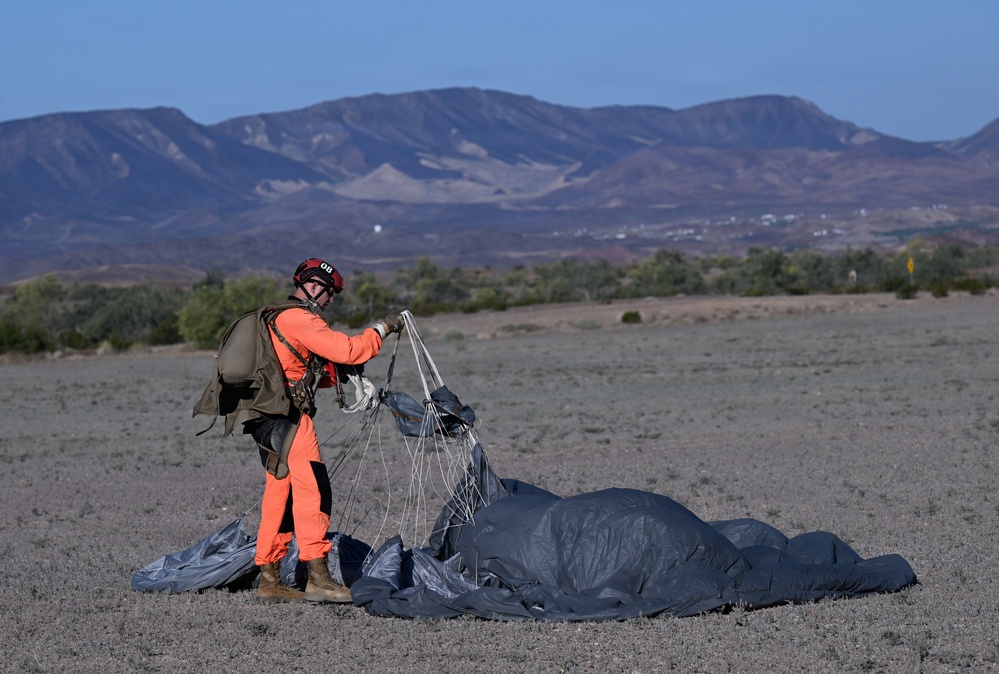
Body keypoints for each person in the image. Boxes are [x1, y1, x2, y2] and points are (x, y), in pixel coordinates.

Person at [253, 258, 403, 603]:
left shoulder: (274, 318)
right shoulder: (299, 318)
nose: (331, 300)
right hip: (290, 420)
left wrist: (342, 376)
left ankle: (269, 578)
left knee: (280, 496)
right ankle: (317, 578)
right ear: (314, 286)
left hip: (266, 418)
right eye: (330, 292)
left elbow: (298, 373)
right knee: (313, 491)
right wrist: (382, 328)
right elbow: (348, 349)